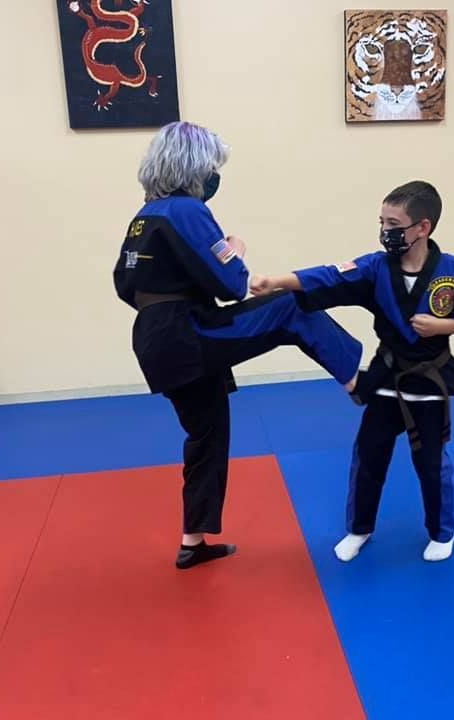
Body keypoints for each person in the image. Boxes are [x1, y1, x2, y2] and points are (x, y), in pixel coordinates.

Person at [113, 121, 362, 570]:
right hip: (185, 332)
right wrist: (236, 247)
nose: (214, 176)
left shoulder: (144, 217)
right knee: (290, 306)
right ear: (193, 166)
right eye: (211, 166)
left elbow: (124, 286)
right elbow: (233, 284)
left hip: (153, 337)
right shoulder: (187, 210)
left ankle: (193, 541)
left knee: (206, 433)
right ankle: (358, 382)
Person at [251, 181, 454, 563]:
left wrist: (444, 326)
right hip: (388, 374)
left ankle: (443, 532)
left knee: (431, 462)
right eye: (382, 222)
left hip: (430, 378)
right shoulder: (376, 268)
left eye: (394, 224)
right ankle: (359, 528)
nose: (385, 231)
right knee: (369, 456)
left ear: (422, 227)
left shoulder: (452, 270)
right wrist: (276, 281)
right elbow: (329, 276)